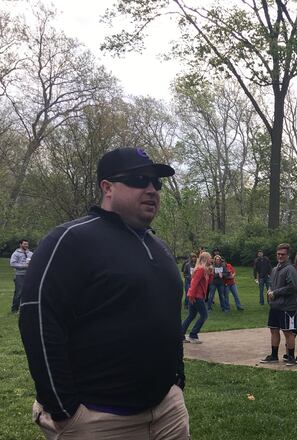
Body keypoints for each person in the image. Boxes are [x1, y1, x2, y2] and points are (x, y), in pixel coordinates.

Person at [18, 147, 189, 438]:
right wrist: (65, 410)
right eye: (138, 179)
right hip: (100, 416)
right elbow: (38, 320)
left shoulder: (158, 247)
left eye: (156, 182)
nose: (151, 189)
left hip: (166, 408)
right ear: (107, 187)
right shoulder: (70, 239)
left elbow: (169, 317)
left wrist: (176, 382)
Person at [260, 243, 297, 365]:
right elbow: (272, 284)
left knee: (288, 332)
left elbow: (292, 287)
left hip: (287, 307)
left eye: (283, 254)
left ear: (288, 255)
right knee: (273, 330)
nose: (280, 256)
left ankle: (291, 357)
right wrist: (270, 291)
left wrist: (275, 292)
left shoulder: (290, 269)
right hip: (275, 306)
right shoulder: (275, 269)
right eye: (278, 254)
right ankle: (273, 355)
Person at [182, 252, 213, 343]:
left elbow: (209, 282)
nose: (211, 260)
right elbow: (194, 283)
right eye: (209, 258)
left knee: (191, 315)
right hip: (196, 296)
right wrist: (191, 295)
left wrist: (210, 273)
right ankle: (193, 335)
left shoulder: (204, 269)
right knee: (204, 315)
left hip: (197, 295)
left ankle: (180, 335)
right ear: (205, 259)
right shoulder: (200, 269)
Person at [10, 238, 33, 313]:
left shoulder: (30, 253)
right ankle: (14, 309)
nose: (26, 245)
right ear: (20, 244)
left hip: (29, 275)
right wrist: (24, 266)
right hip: (19, 275)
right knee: (19, 293)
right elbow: (12, 263)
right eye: (25, 244)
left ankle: (25, 309)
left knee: (29, 292)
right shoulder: (16, 253)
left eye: (27, 244)